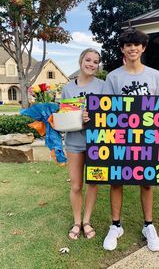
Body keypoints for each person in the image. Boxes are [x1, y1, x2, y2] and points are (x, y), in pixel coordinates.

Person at [101, 28, 159, 252]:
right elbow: (103, 110)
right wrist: (89, 116)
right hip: (120, 137)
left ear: (143, 48)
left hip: (148, 138)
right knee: (116, 180)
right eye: (128, 45)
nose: (132, 48)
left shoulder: (155, 75)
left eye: (137, 45)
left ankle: (148, 225)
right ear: (123, 49)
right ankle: (116, 226)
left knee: (147, 180)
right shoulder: (114, 76)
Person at [61, 48, 104, 240]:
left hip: (97, 142)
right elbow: (62, 118)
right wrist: (79, 117)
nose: (91, 64)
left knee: (93, 183)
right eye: (88, 60)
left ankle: (87, 221)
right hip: (74, 142)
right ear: (81, 61)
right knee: (77, 185)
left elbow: (112, 113)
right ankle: (76, 222)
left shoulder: (104, 86)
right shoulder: (68, 88)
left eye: (95, 62)